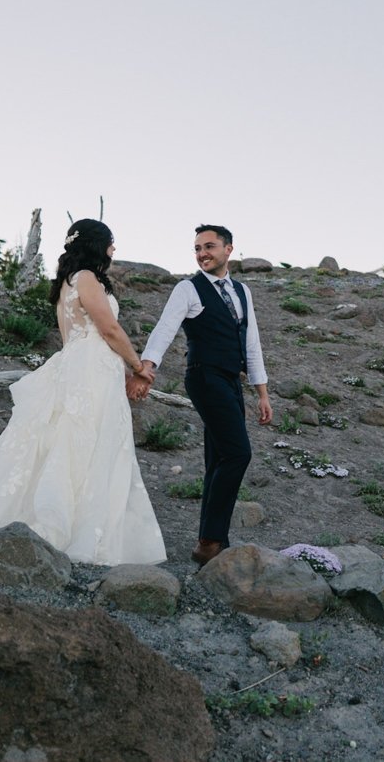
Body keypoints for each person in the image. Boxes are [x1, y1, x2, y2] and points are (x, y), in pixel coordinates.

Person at [0, 219, 166, 565]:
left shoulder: (69, 282)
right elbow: (110, 329)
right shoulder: (86, 277)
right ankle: (76, 530)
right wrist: (138, 365)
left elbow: (75, 336)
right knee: (89, 442)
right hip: (92, 369)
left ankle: (70, 522)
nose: (114, 249)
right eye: (111, 243)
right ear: (98, 245)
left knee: (72, 440)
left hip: (80, 363)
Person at [134, 224, 271, 564]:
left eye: (209, 246)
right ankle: (210, 540)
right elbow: (165, 327)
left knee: (220, 457)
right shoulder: (188, 289)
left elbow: (251, 342)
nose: (202, 254)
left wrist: (262, 392)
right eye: (197, 248)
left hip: (230, 380)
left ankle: (211, 540)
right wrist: (147, 366)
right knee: (238, 453)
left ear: (229, 249)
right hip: (203, 376)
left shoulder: (242, 291)